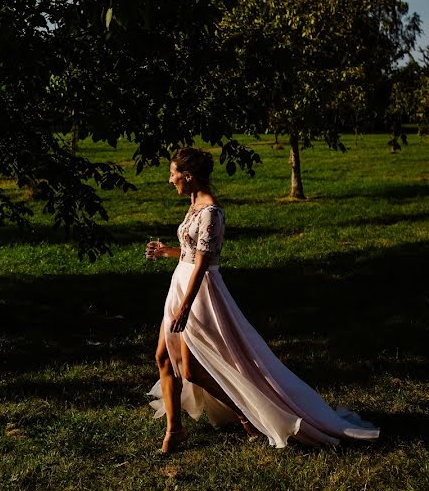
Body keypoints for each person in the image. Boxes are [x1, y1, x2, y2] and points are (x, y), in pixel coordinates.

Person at [147, 147, 379, 451]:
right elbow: (192, 254)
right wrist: (168, 252)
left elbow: (204, 264)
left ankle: (247, 415)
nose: (170, 179)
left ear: (188, 176)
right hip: (180, 283)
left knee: (191, 369)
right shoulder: (192, 205)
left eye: (173, 173)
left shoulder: (211, 212)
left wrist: (186, 307)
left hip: (198, 292)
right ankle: (174, 430)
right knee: (163, 358)